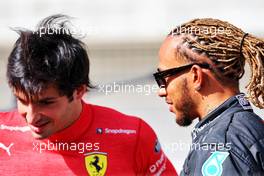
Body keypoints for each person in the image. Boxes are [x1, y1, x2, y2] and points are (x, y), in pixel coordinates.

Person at [0, 14, 177, 176]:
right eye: (22, 100)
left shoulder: (132, 136)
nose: (31, 117)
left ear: (79, 91)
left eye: (46, 103)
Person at [153, 18, 264, 176]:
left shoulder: (221, 144)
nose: (161, 91)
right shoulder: (246, 126)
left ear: (196, 76)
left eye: (163, 77)